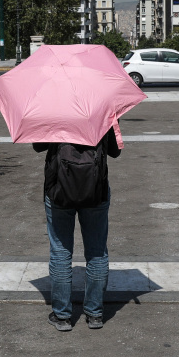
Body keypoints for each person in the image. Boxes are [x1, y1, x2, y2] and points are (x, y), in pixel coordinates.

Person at [32, 124, 122, 331]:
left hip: (59, 190)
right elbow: (115, 152)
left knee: (60, 252)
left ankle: (62, 316)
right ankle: (95, 314)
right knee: (97, 251)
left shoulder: (54, 108)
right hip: (95, 190)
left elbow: (38, 146)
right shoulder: (103, 106)